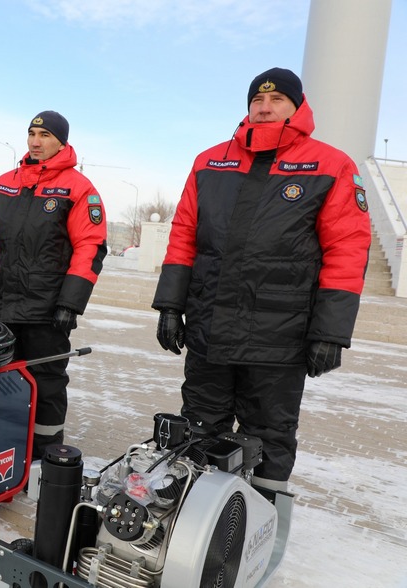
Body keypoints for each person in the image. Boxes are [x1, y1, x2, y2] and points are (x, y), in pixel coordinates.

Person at [151, 67, 371, 494]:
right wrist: (171, 306)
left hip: (279, 338)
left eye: (277, 101)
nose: (265, 108)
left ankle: (265, 520)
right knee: (199, 426)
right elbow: (183, 237)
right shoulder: (209, 161)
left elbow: (347, 251)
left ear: (297, 107)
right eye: (257, 101)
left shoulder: (332, 165)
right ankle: (195, 523)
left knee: (270, 433)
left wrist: (331, 332)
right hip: (210, 331)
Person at [0, 111, 108, 460]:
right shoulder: (6, 182)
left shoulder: (78, 188)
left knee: (46, 382)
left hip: (47, 309)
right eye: (31, 133)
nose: (35, 141)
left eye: (44, 135)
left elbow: (90, 246)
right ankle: (1, 445)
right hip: (3, 303)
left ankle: (45, 452)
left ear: (62, 141)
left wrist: (70, 304)